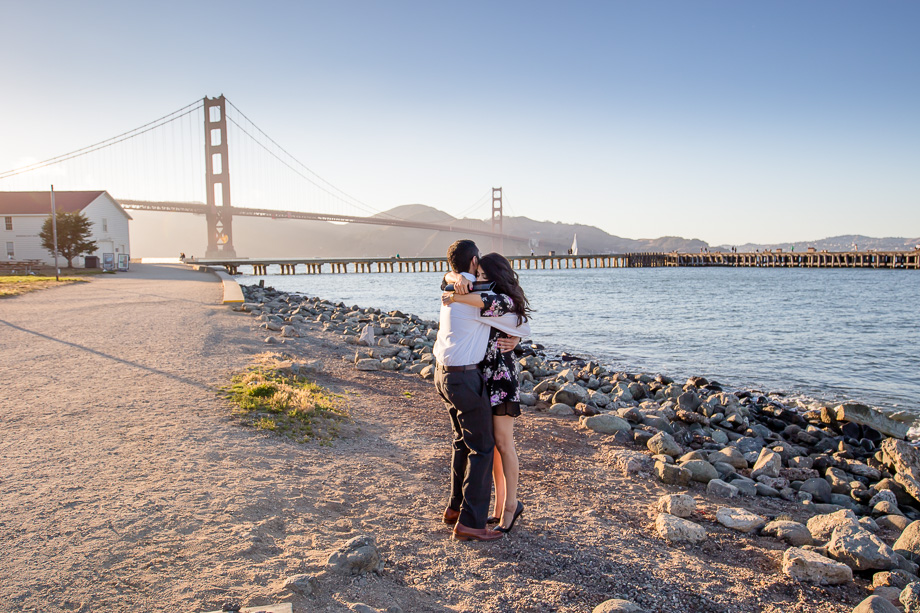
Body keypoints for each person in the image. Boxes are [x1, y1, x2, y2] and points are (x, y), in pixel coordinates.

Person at [433, 240, 530, 542]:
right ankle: (471, 521)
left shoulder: (473, 296)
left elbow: (520, 321)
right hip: (468, 378)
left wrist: (516, 338)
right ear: (474, 264)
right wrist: (455, 282)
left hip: (465, 376)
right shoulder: (471, 292)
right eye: (479, 274)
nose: (481, 280)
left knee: (473, 443)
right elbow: (452, 281)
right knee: (482, 447)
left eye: (487, 278)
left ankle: (472, 508)